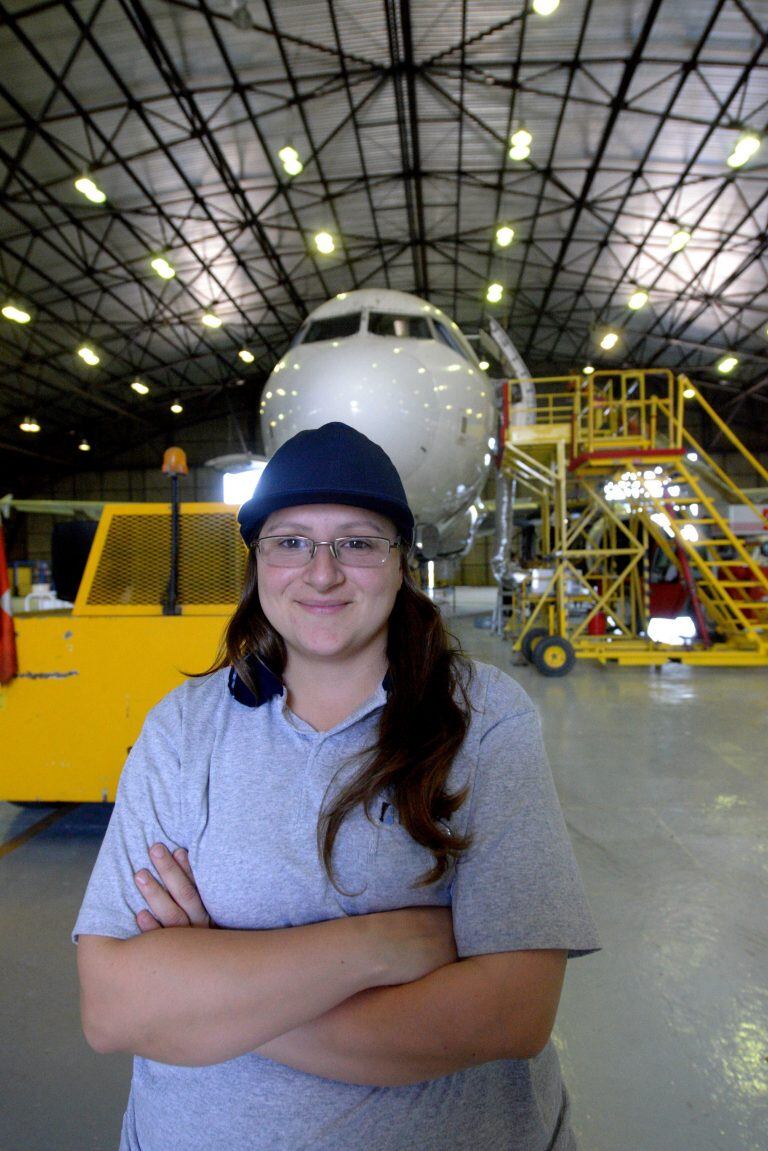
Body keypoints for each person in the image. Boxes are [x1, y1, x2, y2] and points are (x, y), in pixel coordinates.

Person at [74, 421, 600, 1151]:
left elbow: (510, 1012)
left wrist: (214, 992)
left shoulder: (484, 719)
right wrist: (380, 947)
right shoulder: (183, 728)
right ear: (257, 559)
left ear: (400, 560)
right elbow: (113, 1007)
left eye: (356, 541)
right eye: (291, 541)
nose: (322, 573)